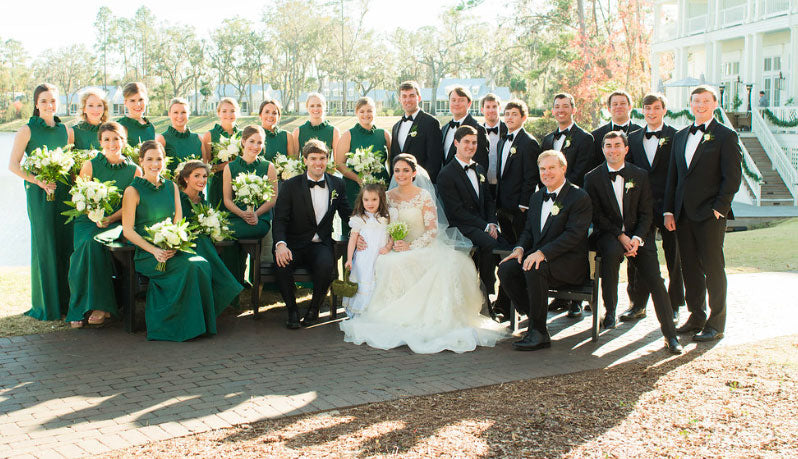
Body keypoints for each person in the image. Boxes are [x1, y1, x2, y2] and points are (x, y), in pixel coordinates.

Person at [340, 154, 507, 354]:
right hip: (394, 246)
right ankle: (392, 315)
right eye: (397, 170)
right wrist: (360, 238)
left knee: (440, 268)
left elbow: (432, 230)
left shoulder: (424, 195)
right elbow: (375, 222)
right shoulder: (387, 196)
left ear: (414, 173)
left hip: (423, 245)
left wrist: (411, 246)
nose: (401, 174)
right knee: (386, 263)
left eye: (405, 170)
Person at [583, 132, 683, 354]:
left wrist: (637, 238)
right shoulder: (592, 178)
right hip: (609, 234)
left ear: (626, 149)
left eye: (617, 145)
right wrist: (620, 235)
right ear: (602, 149)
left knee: (656, 280)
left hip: (640, 236)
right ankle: (610, 311)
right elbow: (597, 215)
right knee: (609, 256)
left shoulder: (640, 175)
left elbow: (647, 213)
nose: (613, 150)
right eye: (608, 146)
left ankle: (670, 335)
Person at [664, 85, 742, 342]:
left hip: (710, 215)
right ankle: (696, 315)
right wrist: (669, 211)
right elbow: (673, 177)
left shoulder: (725, 135)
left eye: (705, 101)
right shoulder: (681, 135)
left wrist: (720, 208)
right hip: (683, 214)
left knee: (713, 267)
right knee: (689, 268)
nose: (700, 105)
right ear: (690, 104)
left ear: (714, 104)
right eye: (696, 101)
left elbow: (732, 177)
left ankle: (716, 322)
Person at [121, 140, 218, 342]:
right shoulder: (133, 190)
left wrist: (175, 244)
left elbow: (178, 222)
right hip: (148, 254)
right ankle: (174, 327)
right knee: (189, 268)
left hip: (172, 248)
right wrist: (154, 251)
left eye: (159, 159)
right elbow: (128, 231)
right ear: (141, 161)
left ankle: (200, 325)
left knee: (202, 265)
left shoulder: (172, 187)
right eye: (149, 159)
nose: (155, 164)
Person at [497, 150, 592, 351]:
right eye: (542, 169)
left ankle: (539, 332)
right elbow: (529, 230)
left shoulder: (579, 197)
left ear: (563, 169)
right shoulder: (537, 197)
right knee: (506, 269)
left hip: (568, 263)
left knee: (534, 268)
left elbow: (573, 236)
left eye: (551, 168)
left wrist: (543, 253)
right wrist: (520, 248)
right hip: (539, 259)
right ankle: (534, 318)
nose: (546, 173)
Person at [7, 83, 75, 321]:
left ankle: (67, 303)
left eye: (53, 101)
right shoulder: (27, 130)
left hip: (63, 193)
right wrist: (39, 181)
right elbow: (13, 166)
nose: (49, 105)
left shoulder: (64, 130)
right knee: (45, 244)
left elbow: (69, 162)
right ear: (36, 103)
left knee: (66, 244)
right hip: (40, 193)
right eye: (44, 101)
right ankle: (48, 305)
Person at [65, 122, 141, 328]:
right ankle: (80, 305)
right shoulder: (89, 165)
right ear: (100, 142)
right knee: (84, 249)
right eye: (107, 139)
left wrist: (110, 218)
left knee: (93, 244)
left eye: (116, 138)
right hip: (87, 221)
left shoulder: (135, 171)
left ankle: (100, 306)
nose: (112, 143)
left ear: (124, 141)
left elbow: (131, 206)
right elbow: (79, 197)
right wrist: (93, 214)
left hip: (116, 221)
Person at [273, 139, 352, 329]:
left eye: (323, 158)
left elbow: (346, 214)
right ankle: (292, 310)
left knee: (326, 265)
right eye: (313, 158)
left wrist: (366, 228)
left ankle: (314, 309)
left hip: (320, 244)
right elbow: (280, 219)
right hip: (294, 243)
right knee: (281, 265)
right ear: (305, 160)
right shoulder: (290, 185)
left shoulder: (337, 184)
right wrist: (281, 245)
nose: (318, 163)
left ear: (328, 160)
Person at [623, 93, 683, 323]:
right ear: (642, 111)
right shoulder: (633, 138)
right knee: (637, 256)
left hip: (668, 208)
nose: (651, 112)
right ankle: (637, 304)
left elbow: (678, 175)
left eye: (656, 108)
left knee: (673, 257)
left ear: (664, 110)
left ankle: (674, 305)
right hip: (641, 209)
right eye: (647, 109)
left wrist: (671, 208)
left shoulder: (676, 137)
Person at [438, 126, 508, 318]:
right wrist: (485, 226)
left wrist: (492, 222)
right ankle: (486, 301)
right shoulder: (446, 174)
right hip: (461, 226)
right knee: (490, 244)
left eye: (474, 142)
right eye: (466, 142)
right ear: (456, 143)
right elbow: (456, 211)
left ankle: (504, 299)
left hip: (483, 224)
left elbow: (489, 201)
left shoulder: (480, 169)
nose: (470, 146)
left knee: (507, 245)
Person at [177, 159, 243, 316]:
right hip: (185, 248)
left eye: (205, 176)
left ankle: (221, 294)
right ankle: (228, 287)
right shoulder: (178, 199)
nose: (202, 180)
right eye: (197, 176)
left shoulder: (205, 203)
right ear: (186, 178)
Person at [222, 125, 278, 286]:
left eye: (259, 143)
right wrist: (242, 214)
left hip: (259, 220)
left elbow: (272, 199)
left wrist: (256, 214)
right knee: (228, 239)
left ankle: (234, 284)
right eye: (252, 141)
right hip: (236, 217)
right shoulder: (230, 167)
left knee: (227, 235)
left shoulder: (268, 167)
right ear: (243, 141)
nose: (255, 146)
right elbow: (227, 200)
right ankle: (234, 283)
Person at [334, 96, 391, 232]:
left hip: (380, 186)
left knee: (380, 225)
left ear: (375, 112)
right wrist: (358, 178)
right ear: (356, 113)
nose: (366, 114)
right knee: (355, 227)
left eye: (369, 111)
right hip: (354, 187)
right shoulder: (348, 135)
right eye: (362, 111)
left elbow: (391, 160)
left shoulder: (384, 134)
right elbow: (339, 164)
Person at [342, 183, 392, 318]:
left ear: (381, 199)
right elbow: (353, 239)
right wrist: (348, 259)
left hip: (381, 256)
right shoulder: (359, 218)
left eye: (374, 199)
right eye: (366, 200)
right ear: (361, 200)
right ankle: (361, 311)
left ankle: (377, 311)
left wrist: (388, 247)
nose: (370, 203)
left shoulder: (387, 217)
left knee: (379, 281)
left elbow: (391, 236)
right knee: (364, 281)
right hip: (364, 258)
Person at [389, 80, 443, 181]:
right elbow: (393, 158)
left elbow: (434, 160)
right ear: (399, 99)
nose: (407, 100)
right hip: (399, 184)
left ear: (419, 98)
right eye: (404, 96)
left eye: (411, 96)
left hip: (421, 184)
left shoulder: (431, 123)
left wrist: (422, 182)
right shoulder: (396, 127)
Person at [540, 93, 593, 187]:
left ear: (574, 110)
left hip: (573, 195)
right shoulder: (547, 139)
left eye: (565, 106)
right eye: (557, 107)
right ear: (553, 111)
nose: (561, 110)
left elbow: (580, 172)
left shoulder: (584, 138)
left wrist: (559, 190)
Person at [201, 97, 239, 208]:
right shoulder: (210, 135)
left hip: (238, 182)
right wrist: (224, 166)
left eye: (232, 111)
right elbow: (207, 167)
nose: (229, 114)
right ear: (218, 113)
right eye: (224, 111)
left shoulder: (243, 134)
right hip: (217, 183)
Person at [591, 90, 642, 170]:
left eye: (622, 103)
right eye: (615, 104)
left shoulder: (641, 133)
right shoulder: (596, 135)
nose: (619, 107)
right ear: (609, 109)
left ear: (630, 107)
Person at [441, 86, 489, 170]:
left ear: (469, 104)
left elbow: (482, 163)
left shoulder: (478, 129)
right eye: (453, 100)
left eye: (461, 100)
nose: (456, 103)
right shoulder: (445, 128)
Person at [156, 97, 202, 176]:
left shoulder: (198, 139)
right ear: (169, 114)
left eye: (183, 112)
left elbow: (205, 167)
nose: (180, 116)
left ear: (189, 113)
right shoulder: (162, 139)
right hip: (172, 187)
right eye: (176, 112)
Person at [480, 93, 507, 197]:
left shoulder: (508, 131)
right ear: (482, 110)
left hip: (503, 186)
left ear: (499, 108)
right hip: (483, 184)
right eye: (488, 107)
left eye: (494, 107)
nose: (491, 110)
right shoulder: (476, 131)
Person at [117, 82, 155, 146]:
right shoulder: (120, 126)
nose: (138, 104)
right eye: (132, 100)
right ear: (125, 102)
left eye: (141, 100)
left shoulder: (150, 127)